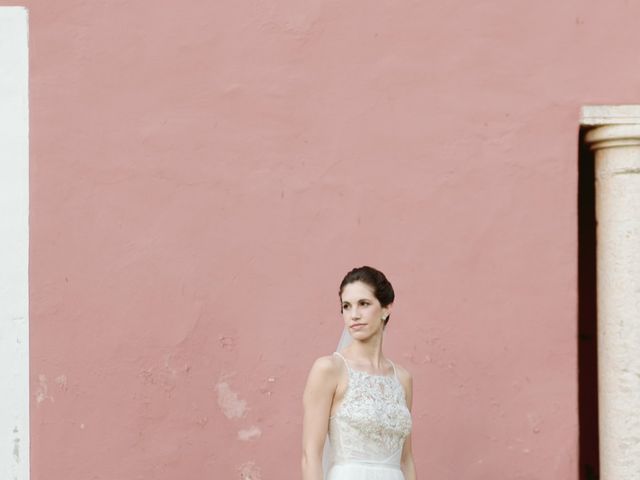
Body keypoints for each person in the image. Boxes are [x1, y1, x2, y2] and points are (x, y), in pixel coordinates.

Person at [301, 266, 416, 480]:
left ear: (385, 309)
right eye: (347, 306)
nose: (354, 315)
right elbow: (311, 456)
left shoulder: (403, 379)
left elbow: (406, 459)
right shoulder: (329, 370)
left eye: (364, 304)